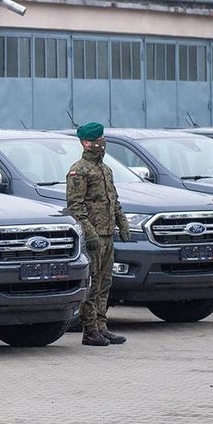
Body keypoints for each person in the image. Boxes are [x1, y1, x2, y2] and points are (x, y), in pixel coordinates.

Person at [65, 122, 130, 347]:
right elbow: (75, 205)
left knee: (105, 281)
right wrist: (89, 232)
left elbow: (113, 200)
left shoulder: (105, 169)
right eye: (98, 139)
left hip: (107, 232)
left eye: (103, 138)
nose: (102, 143)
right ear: (86, 143)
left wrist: (122, 223)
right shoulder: (79, 170)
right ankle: (89, 329)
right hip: (94, 234)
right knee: (93, 282)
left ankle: (102, 325)